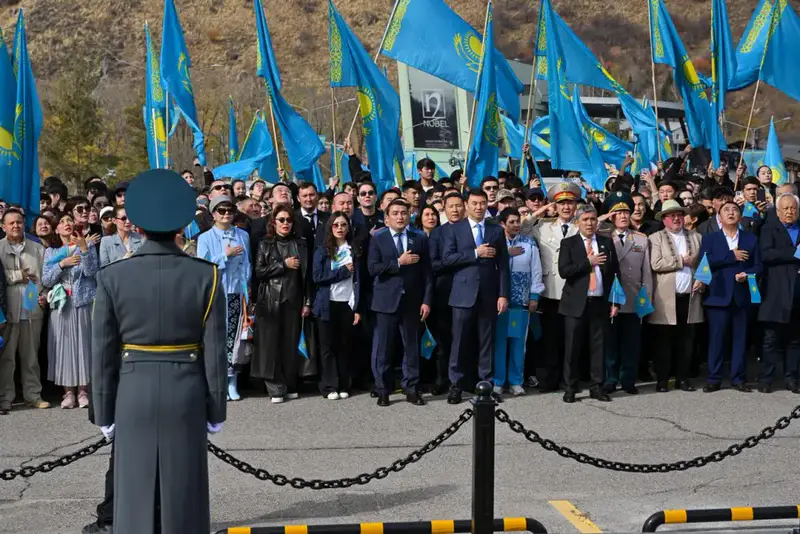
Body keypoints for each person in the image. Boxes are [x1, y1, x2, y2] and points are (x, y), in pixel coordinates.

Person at [90, 168, 227, 534]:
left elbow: (102, 351)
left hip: (133, 392)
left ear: (135, 222)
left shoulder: (113, 276)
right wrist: (217, 409)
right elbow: (215, 352)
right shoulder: (207, 275)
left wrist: (102, 411)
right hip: (187, 392)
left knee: (133, 493)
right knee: (185, 493)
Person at [443, 189, 509, 404]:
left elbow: (503, 266)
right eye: (474, 203)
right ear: (466, 204)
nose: (479, 207)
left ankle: (485, 385)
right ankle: (456, 385)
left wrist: (503, 294)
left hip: (488, 295)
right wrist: (474, 253)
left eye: (482, 203)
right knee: (459, 342)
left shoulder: (495, 230)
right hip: (463, 294)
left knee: (486, 343)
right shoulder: (455, 229)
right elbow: (447, 259)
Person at [368, 199, 433, 407]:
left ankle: (411, 388)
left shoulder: (419, 238)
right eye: (395, 213)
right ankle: (383, 389)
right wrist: (398, 263)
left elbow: (427, 273)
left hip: (412, 301)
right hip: (386, 300)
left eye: (403, 213)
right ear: (387, 217)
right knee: (383, 348)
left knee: (411, 347)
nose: (399, 216)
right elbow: (372, 268)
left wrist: (426, 301)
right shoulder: (378, 238)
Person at [558, 204, 620, 403]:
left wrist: (615, 301)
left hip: (599, 302)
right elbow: (564, 271)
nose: (589, 223)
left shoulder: (605, 242)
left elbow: (615, 273)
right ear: (578, 222)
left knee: (598, 347)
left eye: (593, 219)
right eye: (585, 220)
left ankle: (597, 387)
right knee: (572, 348)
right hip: (575, 304)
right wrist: (588, 262)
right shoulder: (569, 243)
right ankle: (570, 387)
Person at [700, 200, 762, 392]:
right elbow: (705, 263)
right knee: (716, 339)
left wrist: (748, 274)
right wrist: (730, 256)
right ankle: (713, 378)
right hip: (718, 296)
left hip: (742, 296)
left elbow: (759, 266)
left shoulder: (751, 239)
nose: (731, 213)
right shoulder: (710, 239)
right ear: (719, 217)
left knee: (740, 339)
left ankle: (738, 378)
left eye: (735, 210)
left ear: (740, 216)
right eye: (726, 210)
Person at [252, 205, 312, 403]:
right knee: (271, 345)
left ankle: (289, 383)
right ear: (274, 222)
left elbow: (308, 276)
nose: (285, 223)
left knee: (290, 344)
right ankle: (275, 387)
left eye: (288, 220)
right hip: (270, 300)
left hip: (294, 300)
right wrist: (282, 265)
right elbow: (258, 271)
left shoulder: (301, 243)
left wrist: (307, 302)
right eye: (281, 220)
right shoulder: (265, 243)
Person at [197, 195, 251, 401]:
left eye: (229, 210)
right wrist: (224, 255)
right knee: (217, 337)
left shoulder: (243, 235)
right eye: (221, 210)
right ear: (213, 214)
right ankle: (217, 380)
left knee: (235, 338)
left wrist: (247, 286)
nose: (226, 214)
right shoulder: (205, 238)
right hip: (216, 293)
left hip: (237, 292)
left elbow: (247, 263)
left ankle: (232, 380)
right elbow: (203, 267)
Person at [43, 213, 100, 409]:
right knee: (63, 348)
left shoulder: (87, 245)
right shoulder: (51, 252)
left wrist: (83, 248)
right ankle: (68, 392)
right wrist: (61, 264)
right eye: (62, 222)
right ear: (56, 229)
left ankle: (84, 390)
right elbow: (47, 280)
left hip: (83, 302)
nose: (66, 224)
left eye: (69, 221)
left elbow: (93, 272)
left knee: (84, 346)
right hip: (61, 304)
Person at [649, 200, 705, 392]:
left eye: (679, 214)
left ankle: (683, 378)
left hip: (690, 297)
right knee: (663, 341)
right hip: (666, 298)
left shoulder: (696, 237)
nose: (676, 218)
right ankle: (662, 380)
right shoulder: (655, 238)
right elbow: (655, 263)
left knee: (686, 341)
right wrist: (680, 260)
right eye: (671, 215)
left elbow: (704, 264)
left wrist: (702, 278)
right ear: (664, 219)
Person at [530, 182, 581, 392]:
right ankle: (550, 380)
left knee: (572, 340)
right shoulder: (542, 227)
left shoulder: (582, 227)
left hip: (573, 290)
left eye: (570, 203)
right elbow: (523, 227)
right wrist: (541, 210)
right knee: (550, 339)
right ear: (555, 206)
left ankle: (570, 381)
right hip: (550, 291)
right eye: (561, 203)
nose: (566, 207)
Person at [601, 192, 652, 395]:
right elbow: (584, 228)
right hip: (611, 298)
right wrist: (603, 218)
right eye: (618, 212)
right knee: (610, 343)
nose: (623, 216)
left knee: (631, 343)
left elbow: (646, 272)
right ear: (611, 216)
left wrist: (646, 296)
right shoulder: (603, 236)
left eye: (626, 212)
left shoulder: (640, 239)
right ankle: (610, 379)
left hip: (633, 296)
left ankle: (628, 380)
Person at [0, 210, 46, 414]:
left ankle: (33, 395)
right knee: (7, 358)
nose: (15, 226)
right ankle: (5, 397)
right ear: (3, 226)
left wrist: (45, 294)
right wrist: (19, 275)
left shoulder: (37, 248)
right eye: (11, 223)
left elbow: (44, 278)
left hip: (32, 308)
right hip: (8, 309)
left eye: (19, 222)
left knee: (31, 356)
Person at [493, 207, 543, 397]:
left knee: (517, 342)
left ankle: (515, 381)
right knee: (499, 342)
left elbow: (536, 270)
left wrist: (534, 296)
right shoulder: (496, 244)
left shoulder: (529, 243)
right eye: (511, 222)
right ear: (502, 224)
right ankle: (498, 381)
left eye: (517, 221)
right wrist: (505, 253)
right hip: (499, 302)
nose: (515, 225)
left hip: (520, 303)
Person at [313, 212, 361, 400]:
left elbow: (360, 280)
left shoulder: (354, 249)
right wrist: (342, 272)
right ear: (330, 228)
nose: (340, 228)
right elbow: (318, 277)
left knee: (344, 345)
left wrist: (358, 308)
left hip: (347, 303)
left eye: (343, 224)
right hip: (327, 303)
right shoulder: (323, 250)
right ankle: (329, 385)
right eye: (336, 225)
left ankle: (343, 384)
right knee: (327, 347)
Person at [758, 193, 800, 393]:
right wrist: (795, 254)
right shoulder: (769, 229)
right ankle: (766, 378)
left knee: (795, 339)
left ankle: (791, 378)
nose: (790, 212)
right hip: (775, 293)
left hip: (798, 293)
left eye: (793, 208)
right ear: (778, 211)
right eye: (786, 208)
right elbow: (767, 255)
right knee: (771, 339)